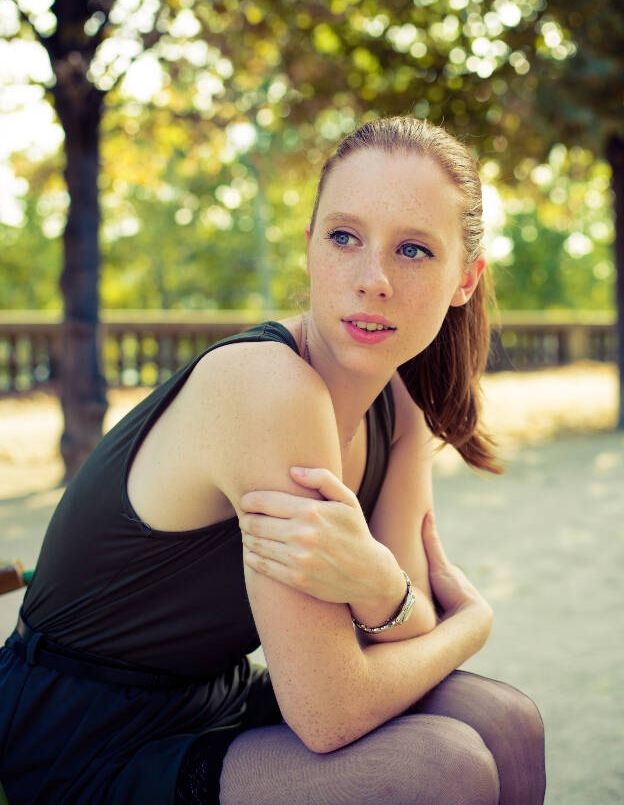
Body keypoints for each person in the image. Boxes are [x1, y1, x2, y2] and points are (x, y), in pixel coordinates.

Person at [0, 117, 545, 805]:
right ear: (310, 245)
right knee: (444, 766)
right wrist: (471, 624)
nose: (371, 278)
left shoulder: (397, 405)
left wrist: (380, 588)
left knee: (507, 722)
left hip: (214, 695)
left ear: (465, 279)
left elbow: (390, 638)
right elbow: (330, 711)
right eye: (344, 237)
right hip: (81, 734)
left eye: (413, 250)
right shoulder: (268, 388)